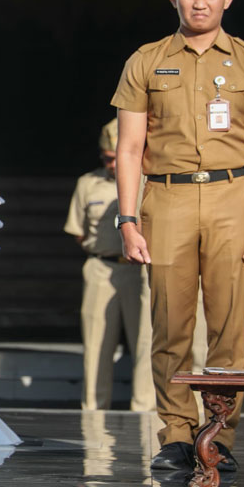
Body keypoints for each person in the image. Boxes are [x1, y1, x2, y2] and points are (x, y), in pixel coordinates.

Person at [111, 0, 244, 472]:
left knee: (230, 328)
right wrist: (127, 219)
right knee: (170, 325)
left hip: (234, 195)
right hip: (168, 197)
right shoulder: (146, 60)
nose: (201, 3)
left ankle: (218, 434)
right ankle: (176, 434)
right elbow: (129, 148)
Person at [64, 119, 153, 412]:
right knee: (96, 342)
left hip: (141, 270)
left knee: (146, 342)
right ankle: (93, 408)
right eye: (108, 158)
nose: (114, 164)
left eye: (118, 157)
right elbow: (78, 230)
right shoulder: (89, 183)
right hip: (102, 267)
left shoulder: (150, 182)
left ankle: (144, 409)